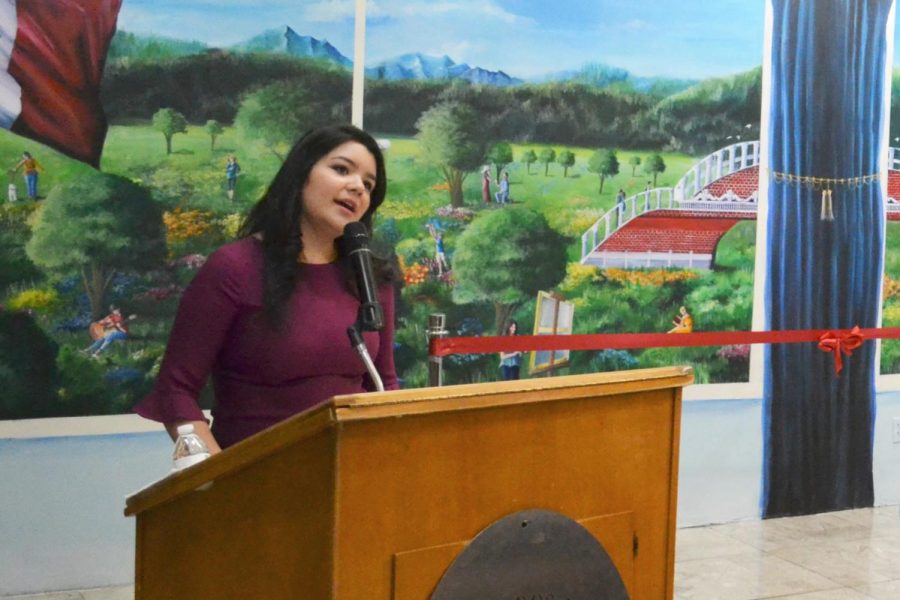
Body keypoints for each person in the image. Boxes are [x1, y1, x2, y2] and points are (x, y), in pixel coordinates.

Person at [134, 124, 399, 453]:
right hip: (253, 481)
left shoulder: (373, 279)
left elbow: (383, 384)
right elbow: (176, 389)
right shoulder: (234, 268)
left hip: (350, 478)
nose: (357, 187)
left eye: (369, 184)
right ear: (301, 174)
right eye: (341, 169)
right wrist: (213, 475)